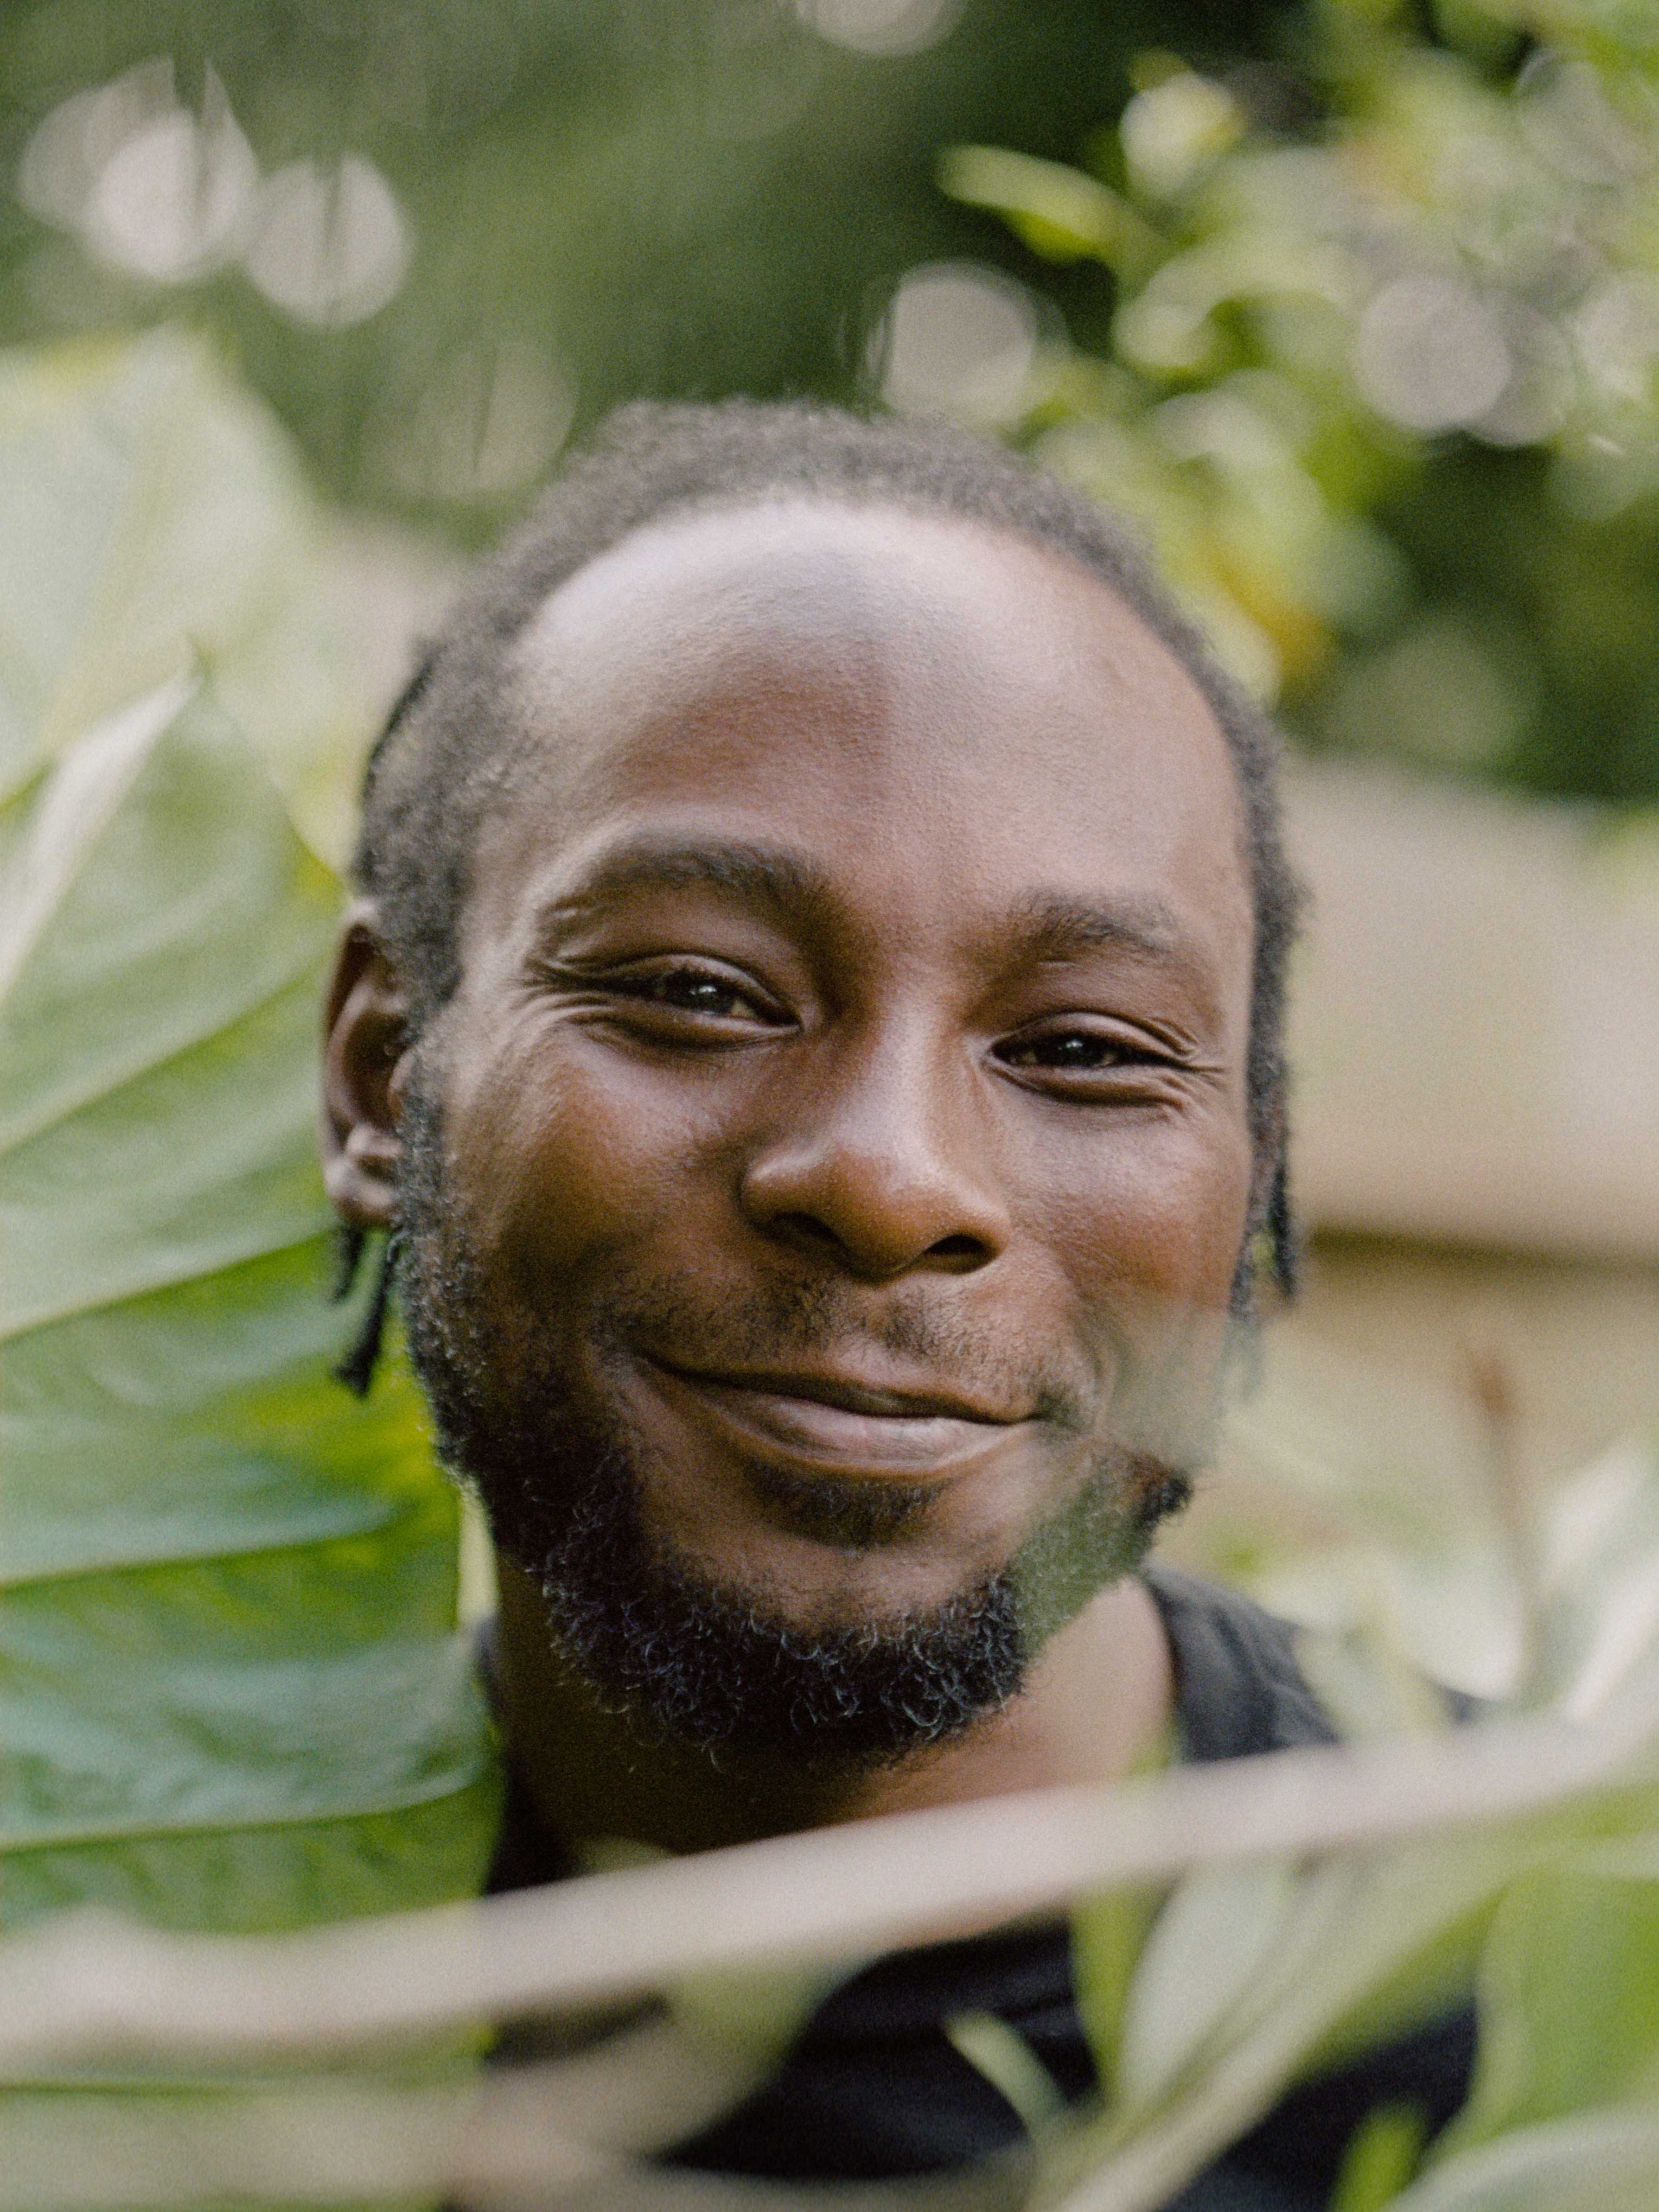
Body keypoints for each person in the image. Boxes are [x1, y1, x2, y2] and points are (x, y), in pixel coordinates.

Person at [319, 402, 1473, 2207]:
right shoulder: (127, 1986)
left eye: (1083, 1047)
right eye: (702, 989)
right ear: (384, 1079)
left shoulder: (1565, 1997)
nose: (889, 1179)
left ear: (1254, 1174)